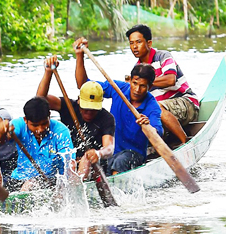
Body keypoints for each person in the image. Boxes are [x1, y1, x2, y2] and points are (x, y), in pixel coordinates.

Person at [74, 38, 163, 174]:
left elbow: (157, 134)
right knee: (89, 161)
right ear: (130, 81)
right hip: (109, 152)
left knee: (121, 161)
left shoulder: (152, 106)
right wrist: (79, 56)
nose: (137, 90)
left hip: (134, 155)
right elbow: (83, 85)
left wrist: (148, 126)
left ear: (149, 87)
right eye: (135, 83)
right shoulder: (118, 88)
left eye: (143, 86)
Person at [36, 55, 115, 178]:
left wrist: (98, 154)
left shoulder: (107, 118)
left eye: (93, 110)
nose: (89, 113)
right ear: (79, 101)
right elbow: (39, 100)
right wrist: (48, 72)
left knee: (86, 158)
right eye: (86, 108)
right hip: (68, 160)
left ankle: (77, 186)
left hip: (93, 164)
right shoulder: (68, 105)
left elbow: (109, 148)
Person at [126, 24, 198, 144]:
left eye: (138, 42)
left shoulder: (163, 56)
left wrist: (145, 82)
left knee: (157, 107)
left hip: (185, 102)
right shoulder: (137, 69)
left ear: (149, 43)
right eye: (131, 43)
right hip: (160, 112)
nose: (134, 47)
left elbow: (171, 80)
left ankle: (185, 141)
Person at [0, 96, 75, 190]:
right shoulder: (19, 124)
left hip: (53, 180)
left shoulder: (61, 131)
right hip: (20, 178)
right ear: (26, 120)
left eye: (44, 124)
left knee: (32, 183)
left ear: (49, 116)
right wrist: (2, 132)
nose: (40, 130)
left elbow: (69, 163)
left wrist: (66, 187)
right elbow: (0, 142)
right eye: (35, 125)